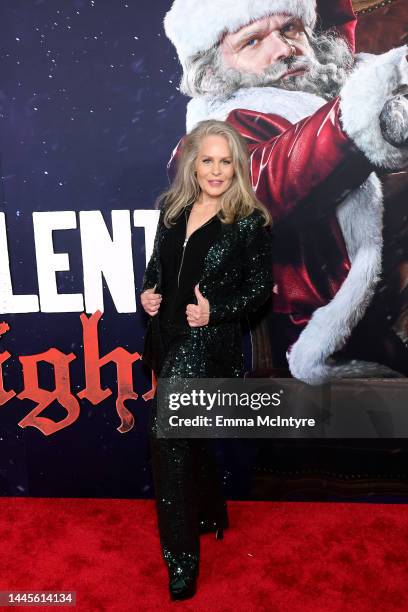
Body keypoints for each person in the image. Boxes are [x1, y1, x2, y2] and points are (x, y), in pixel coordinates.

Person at [163, 0, 408, 385]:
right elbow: (265, 182)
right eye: (253, 41)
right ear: (212, 71)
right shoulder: (210, 142)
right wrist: (368, 119)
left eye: (290, 29)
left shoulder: (356, 89)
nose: (283, 49)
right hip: (327, 366)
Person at [140, 119, 273, 600]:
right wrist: (150, 294)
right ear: (192, 165)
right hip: (166, 338)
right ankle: (209, 511)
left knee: (166, 436)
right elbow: (158, 267)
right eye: (207, 160)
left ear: (237, 166)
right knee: (187, 439)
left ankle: (181, 561)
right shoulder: (172, 212)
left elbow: (260, 291)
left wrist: (217, 311)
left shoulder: (248, 222)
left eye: (225, 161)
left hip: (206, 346)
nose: (216, 170)